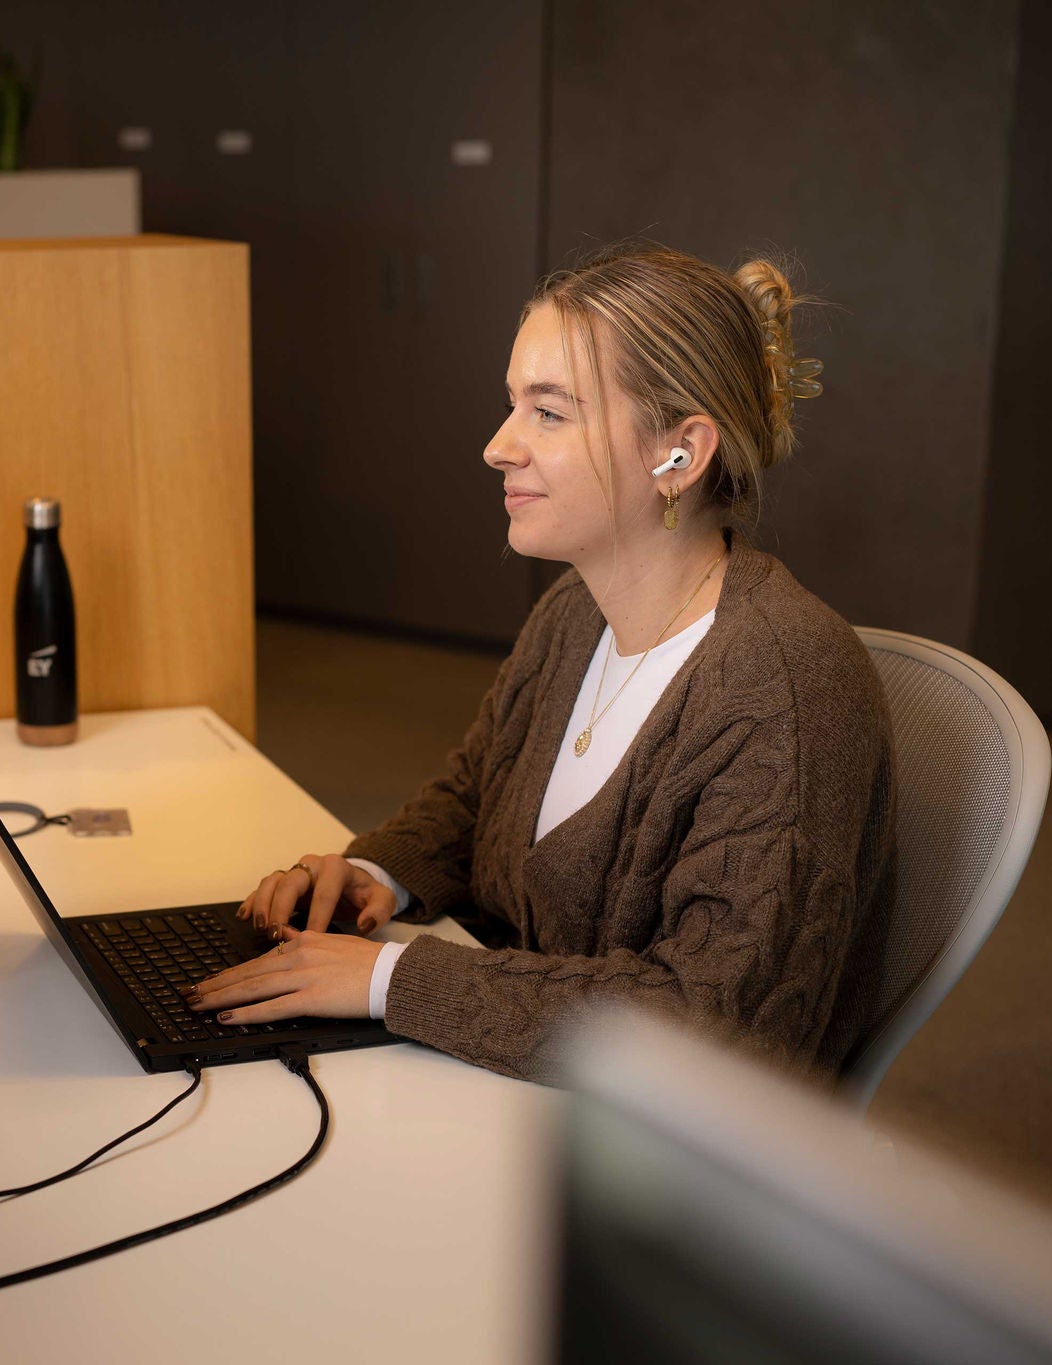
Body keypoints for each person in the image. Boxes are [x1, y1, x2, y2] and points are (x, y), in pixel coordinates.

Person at [187, 242, 897, 1082]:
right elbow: (480, 796)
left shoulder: (783, 691)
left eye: (549, 413)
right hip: (515, 1090)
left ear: (680, 453)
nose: (497, 445)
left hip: (651, 1170)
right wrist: (377, 871)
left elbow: (708, 1022)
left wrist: (390, 977)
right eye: (512, 404)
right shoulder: (575, 613)